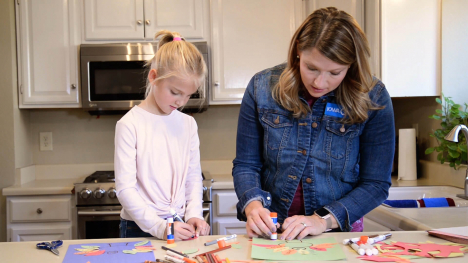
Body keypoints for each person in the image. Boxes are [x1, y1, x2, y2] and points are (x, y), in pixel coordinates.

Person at [233, 7, 395, 240]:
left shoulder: (374, 97)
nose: (320, 82)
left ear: (351, 65)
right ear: (298, 50)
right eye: (312, 68)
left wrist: (322, 220)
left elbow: (376, 184)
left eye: (335, 72)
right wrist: (253, 207)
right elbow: (246, 165)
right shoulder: (262, 87)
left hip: (335, 232)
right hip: (272, 231)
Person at [115, 30, 210, 240]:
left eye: (188, 95)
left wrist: (194, 213)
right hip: (139, 228)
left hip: (178, 225)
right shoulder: (129, 124)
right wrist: (160, 227)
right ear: (154, 76)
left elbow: (193, 177)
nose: (181, 102)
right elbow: (125, 190)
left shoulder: (188, 124)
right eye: (175, 92)